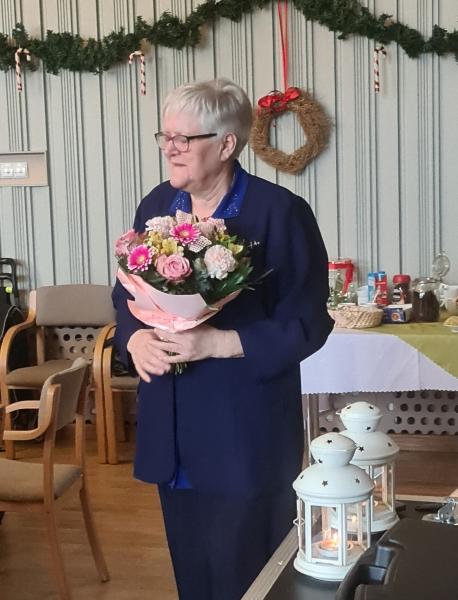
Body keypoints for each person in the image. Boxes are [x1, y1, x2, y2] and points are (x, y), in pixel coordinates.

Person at [112, 78, 333, 600]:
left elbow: (308, 323)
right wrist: (134, 340)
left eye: (183, 138)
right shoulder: (157, 206)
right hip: (172, 427)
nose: (170, 148)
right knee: (192, 571)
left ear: (227, 144)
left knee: (247, 572)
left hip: (243, 431)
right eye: (165, 136)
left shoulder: (278, 212)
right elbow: (126, 294)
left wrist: (218, 343)